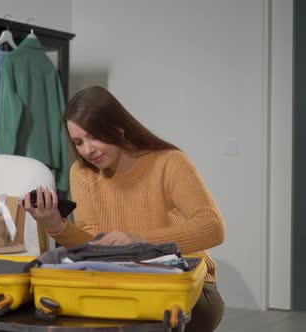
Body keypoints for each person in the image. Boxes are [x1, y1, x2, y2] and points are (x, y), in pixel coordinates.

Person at [23, 86, 225, 332]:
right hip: (122, 282)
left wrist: (140, 242)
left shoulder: (170, 162)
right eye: (78, 142)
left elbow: (212, 227)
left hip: (186, 285)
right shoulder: (83, 173)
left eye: (94, 137)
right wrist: (54, 224)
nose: (87, 150)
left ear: (118, 129)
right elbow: (91, 245)